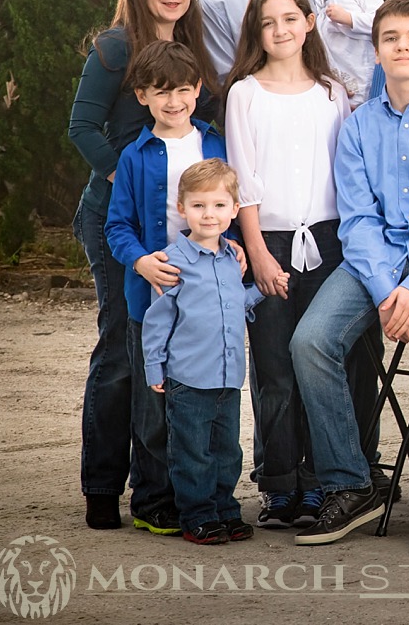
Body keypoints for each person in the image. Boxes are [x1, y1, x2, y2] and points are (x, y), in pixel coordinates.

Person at [290, 0, 409, 552]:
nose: (403, 46)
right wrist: (385, 291)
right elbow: (356, 220)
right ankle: (351, 484)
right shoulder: (355, 128)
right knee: (310, 342)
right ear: (375, 53)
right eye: (392, 38)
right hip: (372, 265)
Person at [68, 0, 214, 532]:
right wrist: (130, 177)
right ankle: (103, 487)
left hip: (180, 227)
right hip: (116, 217)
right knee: (122, 351)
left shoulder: (192, 48)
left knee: (170, 354)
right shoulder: (115, 47)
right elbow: (82, 127)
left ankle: (166, 488)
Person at [223, 0, 352, 530]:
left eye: (290, 18)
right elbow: (243, 179)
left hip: (326, 241)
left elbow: (344, 174)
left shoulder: (331, 93)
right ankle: (279, 483)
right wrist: (256, 250)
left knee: (319, 361)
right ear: (257, 31)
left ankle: (322, 481)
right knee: (274, 365)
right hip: (268, 241)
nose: (280, 30)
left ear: (309, 23)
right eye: (268, 22)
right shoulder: (244, 94)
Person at [104, 39, 228, 537]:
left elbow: (230, 203)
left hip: (206, 301)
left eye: (182, 90)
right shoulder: (135, 156)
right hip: (154, 297)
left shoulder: (213, 143)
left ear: (197, 89)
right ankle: (154, 499)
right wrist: (141, 263)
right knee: (154, 400)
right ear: (142, 96)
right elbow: (118, 227)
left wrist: (236, 244)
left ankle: (202, 495)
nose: (173, 101)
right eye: (161, 92)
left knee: (201, 402)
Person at [141, 159, 263, 545]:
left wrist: (265, 288)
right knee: (192, 452)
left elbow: (234, 303)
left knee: (227, 450)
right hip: (188, 377)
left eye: (218, 205)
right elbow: (157, 320)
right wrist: (154, 367)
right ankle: (197, 516)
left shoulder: (233, 259)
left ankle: (226, 510)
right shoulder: (172, 263)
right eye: (198, 205)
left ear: (234, 210)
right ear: (182, 209)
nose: (209, 214)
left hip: (228, 376)